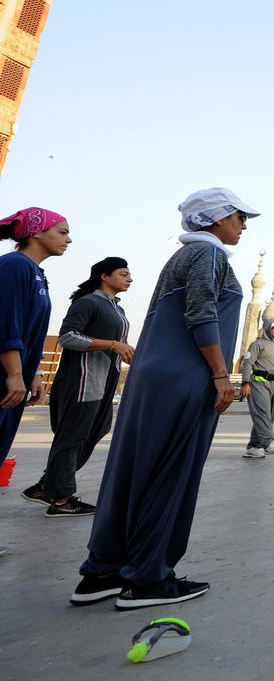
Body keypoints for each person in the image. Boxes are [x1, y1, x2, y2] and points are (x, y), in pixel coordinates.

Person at [72, 187, 258, 609]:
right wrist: (219, 374)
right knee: (172, 473)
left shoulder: (181, 256)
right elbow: (201, 312)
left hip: (152, 377)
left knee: (133, 469)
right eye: (239, 217)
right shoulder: (209, 257)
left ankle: (102, 571)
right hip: (186, 376)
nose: (243, 225)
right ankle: (148, 579)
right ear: (216, 218)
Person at [22, 257, 133, 517]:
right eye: (123, 273)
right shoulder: (88, 302)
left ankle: (46, 485)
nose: (129, 278)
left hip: (105, 379)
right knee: (72, 438)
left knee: (97, 429)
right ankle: (61, 499)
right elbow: (68, 336)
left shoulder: (117, 308)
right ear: (104, 276)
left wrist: (124, 351)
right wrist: (112, 344)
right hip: (82, 380)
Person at [1, 208, 71, 481]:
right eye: (63, 232)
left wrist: (35, 372)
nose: (69, 240)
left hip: (15, 378)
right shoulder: (14, 266)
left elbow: (34, 331)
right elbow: (7, 324)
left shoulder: (36, 273)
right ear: (37, 232)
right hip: (7, 377)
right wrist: (15, 374)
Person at [239, 317, 274, 459]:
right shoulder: (257, 344)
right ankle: (268, 443)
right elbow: (247, 363)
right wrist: (245, 382)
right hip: (258, 383)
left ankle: (253, 447)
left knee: (268, 416)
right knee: (262, 413)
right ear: (269, 328)